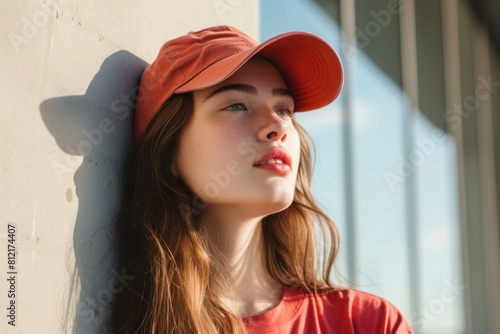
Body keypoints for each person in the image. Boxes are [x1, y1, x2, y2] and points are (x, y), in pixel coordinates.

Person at [112, 25, 412, 333]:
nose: (277, 126)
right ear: (168, 153)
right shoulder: (140, 321)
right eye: (237, 105)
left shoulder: (369, 324)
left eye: (284, 109)